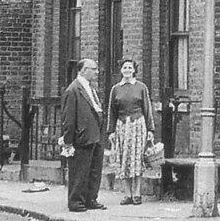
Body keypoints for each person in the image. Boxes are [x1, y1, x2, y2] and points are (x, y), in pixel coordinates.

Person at [106, 58, 155, 205]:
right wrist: (111, 131)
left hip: (138, 125)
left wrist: (151, 129)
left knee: (137, 158)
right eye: (124, 68)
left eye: (130, 68)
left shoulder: (141, 87)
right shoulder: (116, 89)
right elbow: (112, 111)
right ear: (121, 70)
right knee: (124, 159)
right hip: (122, 126)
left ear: (134, 70)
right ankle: (127, 194)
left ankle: (137, 193)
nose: (127, 70)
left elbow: (147, 108)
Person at [60, 58, 106, 212]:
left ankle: (90, 199)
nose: (96, 72)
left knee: (94, 170)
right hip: (82, 137)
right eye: (94, 69)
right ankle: (76, 201)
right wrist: (68, 142)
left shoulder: (91, 88)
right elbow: (68, 118)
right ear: (84, 70)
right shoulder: (72, 90)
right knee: (80, 171)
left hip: (95, 135)